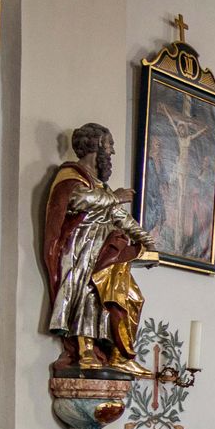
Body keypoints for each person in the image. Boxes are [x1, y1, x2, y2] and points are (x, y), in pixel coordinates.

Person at [43, 123, 154, 373]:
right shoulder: (71, 175)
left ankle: (118, 353)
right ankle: (85, 350)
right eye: (110, 144)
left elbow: (119, 216)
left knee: (130, 296)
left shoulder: (102, 186)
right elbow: (78, 199)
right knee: (90, 293)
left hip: (107, 247)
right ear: (96, 146)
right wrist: (115, 196)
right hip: (83, 245)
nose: (112, 151)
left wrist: (148, 241)